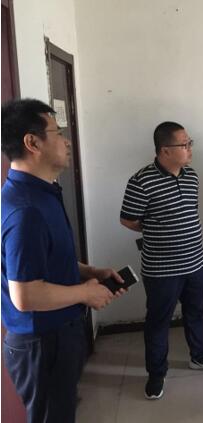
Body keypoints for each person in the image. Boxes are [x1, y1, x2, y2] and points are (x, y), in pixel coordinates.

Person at [1, 98, 123, 423]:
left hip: (56, 335)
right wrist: (86, 293)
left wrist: (89, 272)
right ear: (33, 143)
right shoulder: (26, 210)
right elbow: (26, 295)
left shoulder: (43, 193)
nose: (67, 141)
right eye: (57, 133)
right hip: (44, 342)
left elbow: (48, 258)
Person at [120, 121, 203, 400]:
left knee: (197, 312)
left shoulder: (191, 176)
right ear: (165, 150)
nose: (190, 148)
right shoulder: (141, 181)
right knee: (158, 321)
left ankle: (200, 356)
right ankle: (157, 373)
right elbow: (128, 219)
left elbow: (189, 212)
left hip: (196, 262)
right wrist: (156, 229)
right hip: (161, 269)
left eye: (190, 143)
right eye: (185, 144)